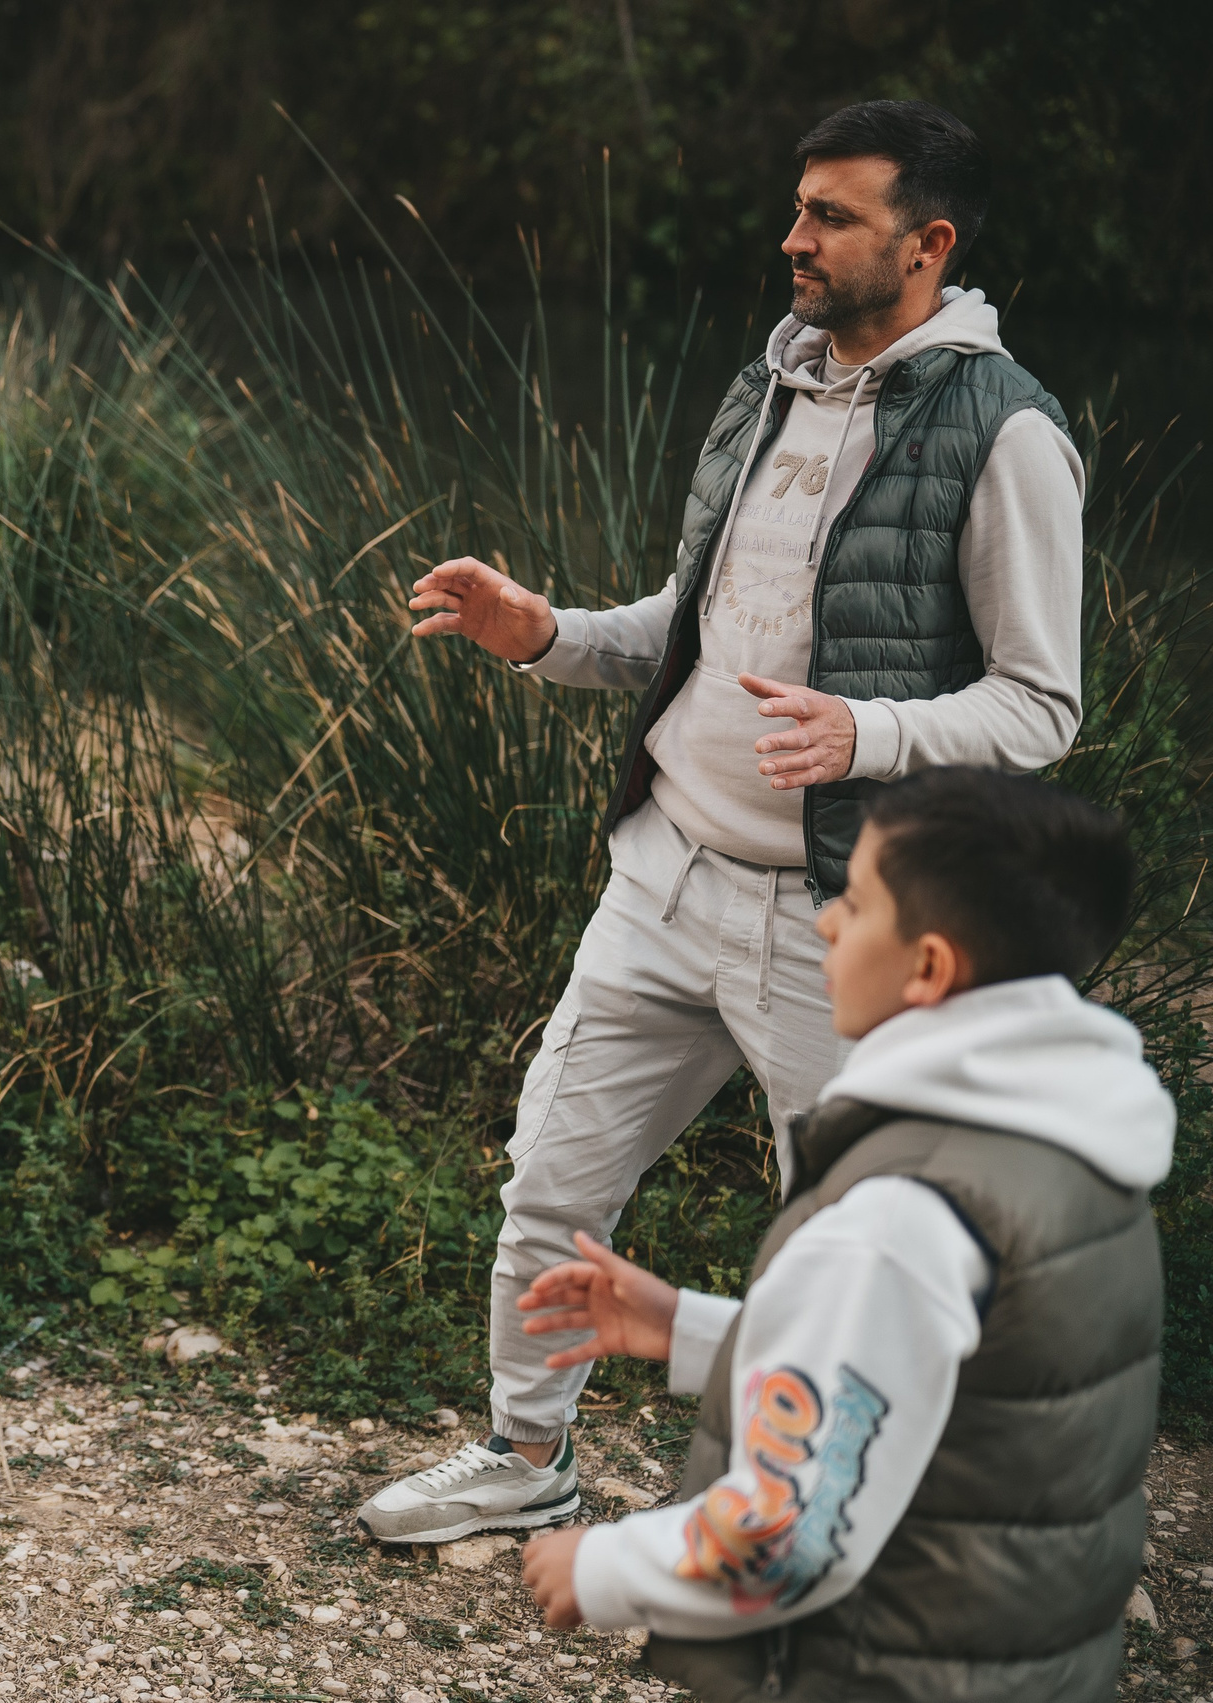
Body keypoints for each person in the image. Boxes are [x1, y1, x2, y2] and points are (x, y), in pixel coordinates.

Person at [362, 99, 1088, 1542]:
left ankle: (868, 1523)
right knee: (551, 1180)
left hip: (839, 926)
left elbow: (1042, 706)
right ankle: (526, 1453)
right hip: (663, 873)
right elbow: (692, 628)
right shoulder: (771, 385)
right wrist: (542, 630)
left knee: (846, 1247)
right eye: (798, 204)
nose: (792, 237)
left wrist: (866, 732)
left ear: (928, 243)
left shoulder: (1007, 432)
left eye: (832, 215)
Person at [513, 767, 1164, 1701]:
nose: (824, 923)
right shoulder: (1076, 1143)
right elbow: (951, 1381)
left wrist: (605, 1566)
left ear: (929, 966)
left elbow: (784, 1537)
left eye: (855, 902)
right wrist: (698, 1332)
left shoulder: (902, 1210)